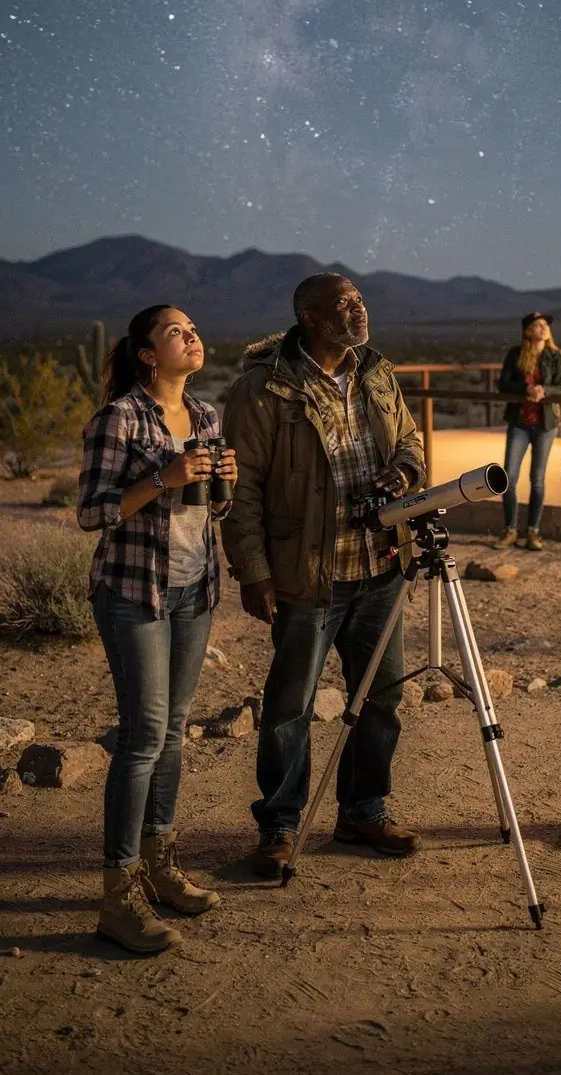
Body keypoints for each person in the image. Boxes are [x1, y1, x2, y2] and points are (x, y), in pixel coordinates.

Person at [221, 272, 426, 881]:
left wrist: (402, 478)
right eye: (344, 302)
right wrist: (253, 572)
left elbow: (411, 442)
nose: (358, 308)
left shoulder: (376, 373)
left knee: (381, 699)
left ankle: (363, 811)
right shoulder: (263, 390)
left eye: (359, 298)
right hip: (309, 576)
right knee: (291, 707)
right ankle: (280, 827)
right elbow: (242, 491)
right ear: (310, 316)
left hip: (379, 568)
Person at [77, 305, 238, 954]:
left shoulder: (205, 417)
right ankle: (117, 896)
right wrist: (160, 479)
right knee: (143, 737)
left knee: (172, 732)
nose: (191, 336)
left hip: (194, 590)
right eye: (176, 331)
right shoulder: (118, 419)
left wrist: (221, 486)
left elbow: (207, 512)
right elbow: (92, 513)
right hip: (133, 591)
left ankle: (160, 866)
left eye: (194, 327)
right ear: (146, 353)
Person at [496, 312, 561, 550]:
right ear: (528, 331)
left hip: (545, 424)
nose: (543, 328)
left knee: (537, 479)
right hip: (519, 422)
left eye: (545, 324)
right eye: (538, 325)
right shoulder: (515, 355)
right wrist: (526, 388)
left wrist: (544, 390)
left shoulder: (555, 355)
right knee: (509, 477)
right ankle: (510, 529)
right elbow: (503, 383)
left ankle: (533, 532)